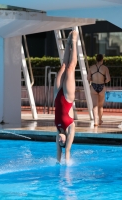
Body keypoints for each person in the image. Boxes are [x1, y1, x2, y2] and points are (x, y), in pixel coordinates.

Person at [54, 30, 78, 164]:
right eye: (62, 142)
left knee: (63, 66)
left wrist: (58, 162)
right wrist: (67, 167)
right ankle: (74, 41)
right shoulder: (70, 128)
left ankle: (67, 42)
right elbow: (66, 151)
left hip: (57, 95)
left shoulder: (58, 131)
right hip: (68, 98)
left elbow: (58, 153)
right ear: (66, 140)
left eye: (59, 141)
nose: (59, 140)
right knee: (70, 68)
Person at [87, 54, 111, 126]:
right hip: (101, 86)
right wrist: (104, 82)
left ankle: (95, 121)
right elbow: (108, 79)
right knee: (100, 105)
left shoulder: (91, 68)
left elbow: (88, 78)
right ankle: (100, 120)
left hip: (93, 86)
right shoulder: (105, 68)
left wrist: (92, 79)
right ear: (102, 59)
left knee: (95, 105)